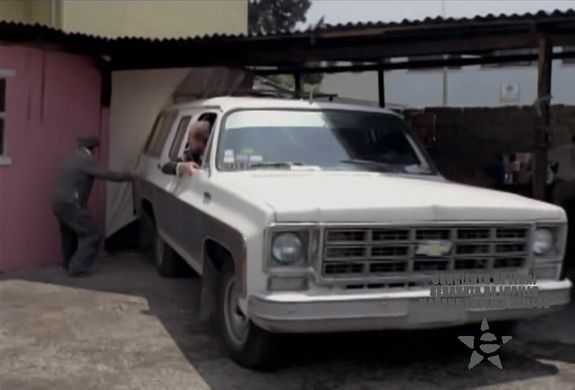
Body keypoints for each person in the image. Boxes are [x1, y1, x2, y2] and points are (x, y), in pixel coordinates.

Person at [51, 134, 135, 277]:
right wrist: (129, 175)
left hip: (57, 201)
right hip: (72, 202)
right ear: (94, 147)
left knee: (69, 233)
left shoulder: (71, 157)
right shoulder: (86, 160)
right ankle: (77, 268)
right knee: (93, 233)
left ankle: (68, 264)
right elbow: (107, 174)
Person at [549, 135, 575, 209]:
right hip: (567, 184)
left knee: (558, 199)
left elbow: (547, 158)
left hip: (563, 185)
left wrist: (555, 170)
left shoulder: (561, 149)